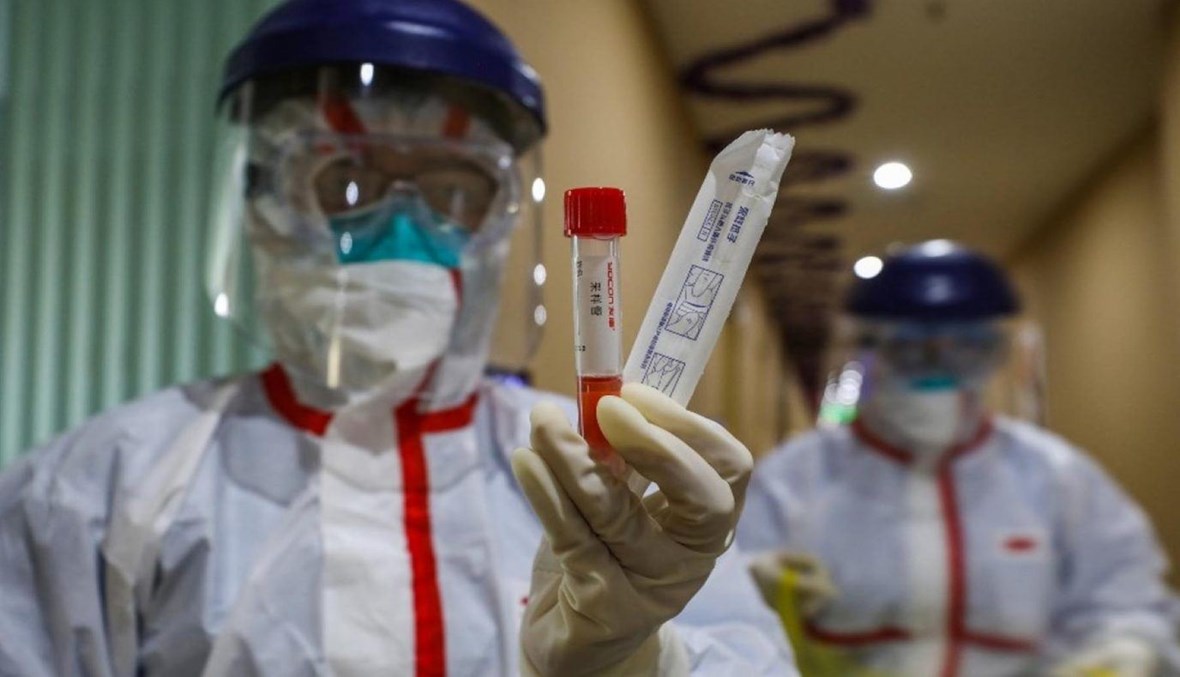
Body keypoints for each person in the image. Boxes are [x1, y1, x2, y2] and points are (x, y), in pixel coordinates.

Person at [0, 1, 795, 674]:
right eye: (348, 183)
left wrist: (641, 660)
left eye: (454, 191)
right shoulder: (102, 489)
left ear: (501, 220)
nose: (404, 229)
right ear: (265, 204)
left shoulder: (600, 470)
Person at [738, 240, 1180, 677]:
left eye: (965, 349)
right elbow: (723, 620)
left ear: (995, 353)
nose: (938, 369)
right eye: (911, 348)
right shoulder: (791, 478)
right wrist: (749, 586)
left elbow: (1126, 599)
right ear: (870, 349)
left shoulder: (1059, 476)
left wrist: (1126, 648)